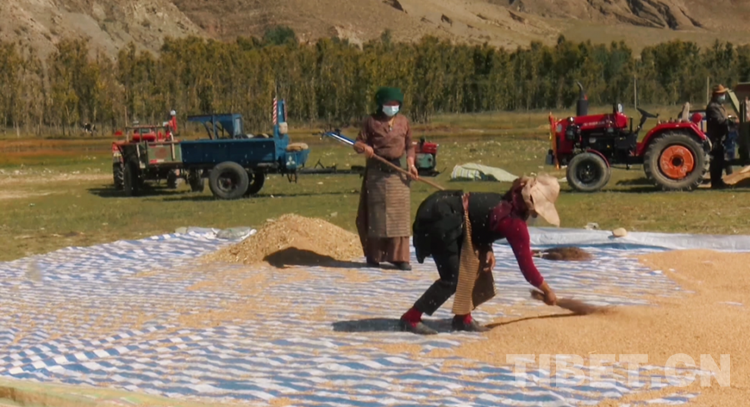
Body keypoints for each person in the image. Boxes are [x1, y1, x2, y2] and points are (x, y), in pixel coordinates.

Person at [399, 175, 561, 335]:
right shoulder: (514, 222)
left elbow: (482, 222)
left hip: (445, 212)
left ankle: (463, 317)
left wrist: (487, 248)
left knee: (476, 263)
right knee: (452, 279)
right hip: (441, 219)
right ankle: (411, 317)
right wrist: (548, 291)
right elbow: (527, 268)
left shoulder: (508, 203)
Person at [354, 87, 419, 271]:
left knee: (399, 219)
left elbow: (409, 145)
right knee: (377, 218)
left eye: (395, 104)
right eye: (389, 103)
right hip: (377, 174)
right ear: (381, 104)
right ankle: (374, 256)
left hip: (398, 174)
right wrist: (365, 148)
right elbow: (357, 143)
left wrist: (411, 163)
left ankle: (400, 258)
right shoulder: (371, 121)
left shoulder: (403, 121)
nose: (392, 107)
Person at [706, 84, 733, 189]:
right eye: (721, 94)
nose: (723, 96)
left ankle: (718, 181)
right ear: (716, 95)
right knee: (716, 161)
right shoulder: (713, 107)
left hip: (721, 136)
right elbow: (719, 121)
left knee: (720, 159)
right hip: (716, 137)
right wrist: (730, 122)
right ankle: (716, 183)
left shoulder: (719, 106)